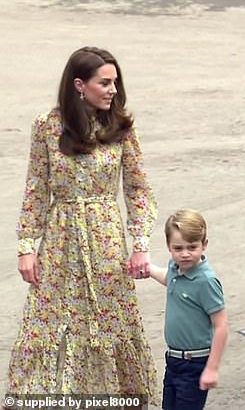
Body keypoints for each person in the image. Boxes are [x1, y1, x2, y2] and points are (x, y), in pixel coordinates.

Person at [7, 47, 158, 404]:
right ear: (79, 85)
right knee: (49, 319)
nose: (112, 91)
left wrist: (141, 244)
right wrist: (27, 247)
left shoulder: (121, 127)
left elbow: (138, 190)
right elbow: (36, 189)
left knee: (107, 321)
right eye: (104, 83)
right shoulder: (46, 126)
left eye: (115, 83)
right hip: (60, 242)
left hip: (105, 238)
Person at [135, 209, 228, 410]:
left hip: (195, 363)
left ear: (204, 245)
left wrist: (212, 368)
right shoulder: (176, 269)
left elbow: (221, 326)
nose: (185, 254)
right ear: (169, 247)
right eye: (178, 248)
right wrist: (147, 269)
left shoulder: (206, 281)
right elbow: (168, 278)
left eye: (192, 247)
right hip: (174, 360)